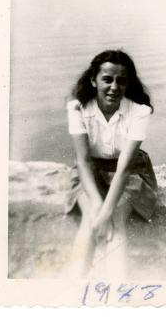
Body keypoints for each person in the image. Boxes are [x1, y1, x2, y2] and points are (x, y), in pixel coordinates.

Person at [65, 50, 158, 278]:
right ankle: (72, 291)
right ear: (93, 80)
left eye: (121, 81)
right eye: (107, 79)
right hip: (90, 171)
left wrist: (107, 212)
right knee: (90, 219)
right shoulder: (78, 109)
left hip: (130, 171)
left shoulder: (138, 111)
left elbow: (125, 168)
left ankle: (119, 297)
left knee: (115, 220)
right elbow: (84, 161)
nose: (114, 87)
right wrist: (98, 205)